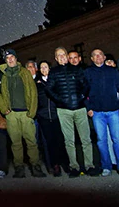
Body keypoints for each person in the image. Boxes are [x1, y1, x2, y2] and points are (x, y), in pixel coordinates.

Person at [47, 47, 98, 178]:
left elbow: (86, 85)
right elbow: (49, 89)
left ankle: (89, 165)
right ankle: (74, 166)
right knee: (69, 140)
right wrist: (60, 100)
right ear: (56, 58)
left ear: (67, 56)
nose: (62, 57)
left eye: (63, 54)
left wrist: (81, 97)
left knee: (85, 139)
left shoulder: (76, 69)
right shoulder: (54, 72)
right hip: (64, 111)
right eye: (59, 55)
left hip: (80, 109)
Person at [0, 49, 45, 178]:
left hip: (26, 113)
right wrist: (4, 108)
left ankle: (35, 166)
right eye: (7, 58)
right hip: (11, 114)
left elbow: (33, 91)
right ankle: (19, 168)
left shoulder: (25, 72)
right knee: (15, 143)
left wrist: (32, 111)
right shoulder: (1, 74)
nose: (10, 60)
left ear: (16, 58)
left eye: (12, 57)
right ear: (5, 60)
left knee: (31, 141)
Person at [84, 49, 119, 177]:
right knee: (101, 140)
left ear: (104, 57)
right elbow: (83, 92)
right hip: (97, 113)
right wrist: (89, 108)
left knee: (118, 140)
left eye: (100, 55)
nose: (98, 57)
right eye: (95, 55)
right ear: (92, 58)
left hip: (113, 111)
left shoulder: (112, 71)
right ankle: (106, 167)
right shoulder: (87, 72)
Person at [35, 60, 69, 176]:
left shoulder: (56, 80)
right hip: (44, 116)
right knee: (49, 142)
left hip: (57, 114)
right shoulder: (37, 84)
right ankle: (55, 165)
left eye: (46, 67)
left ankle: (65, 162)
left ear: (50, 68)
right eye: (41, 68)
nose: (44, 69)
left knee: (60, 140)